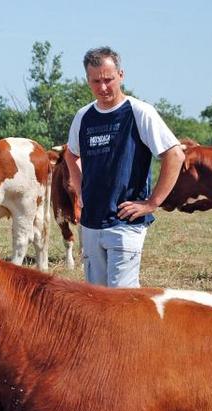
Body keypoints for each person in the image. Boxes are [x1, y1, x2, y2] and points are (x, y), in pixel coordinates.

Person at [63, 46, 185, 287]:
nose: (103, 87)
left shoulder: (139, 112)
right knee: (95, 298)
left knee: (122, 302)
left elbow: (175, 155)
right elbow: (70, 154)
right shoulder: (84, 116)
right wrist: (78, 187)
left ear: (121, 74)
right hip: (90, 222)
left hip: (125, 223)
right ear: (87, 80)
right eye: (96, 81)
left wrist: (152, 203)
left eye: (108, 79)